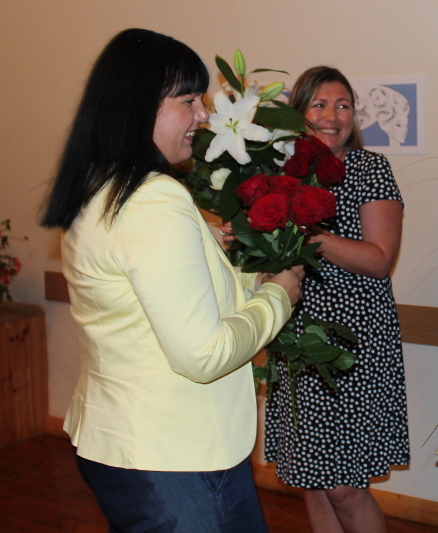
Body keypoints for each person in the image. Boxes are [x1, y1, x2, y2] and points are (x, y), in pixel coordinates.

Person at [41, 28, 305, 533]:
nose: (203, 116)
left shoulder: (102, 185)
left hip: (126, 442)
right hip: (175, 455)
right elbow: (202, 354)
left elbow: (153, 300)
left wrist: (240, 273)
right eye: (188, 101)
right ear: (139, 106)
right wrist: (278, 296)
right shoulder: (152, 200)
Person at [263, 66, 409, 533]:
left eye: (342, 105)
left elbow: (379, 259)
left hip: (353, 345)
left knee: (344, 486)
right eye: (320, 105)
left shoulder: (369, 168)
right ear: (298, 114)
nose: (332, 116)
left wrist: (310, 233)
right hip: (296, 340)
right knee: (313, 478)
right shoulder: (279, 173)